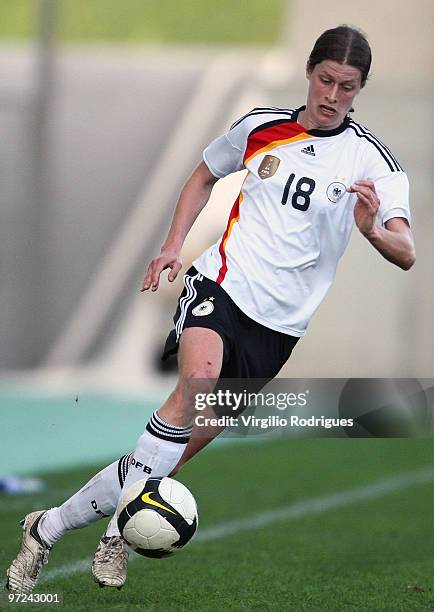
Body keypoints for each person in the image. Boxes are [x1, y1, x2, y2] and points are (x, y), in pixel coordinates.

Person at [6, 25, 415, 593]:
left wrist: (371, 231)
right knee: (197, 387)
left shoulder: (373, 161)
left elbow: (407, 252)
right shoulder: (260, 128)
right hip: (222, 286)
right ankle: (113, 536)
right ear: (309, 73)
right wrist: (174, 245)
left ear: (359, 88)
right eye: (325, 79)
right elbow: (203, 175)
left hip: (279, 329)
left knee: (169, 452)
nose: (332, 95)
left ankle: (47, 530)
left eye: (347, 87)